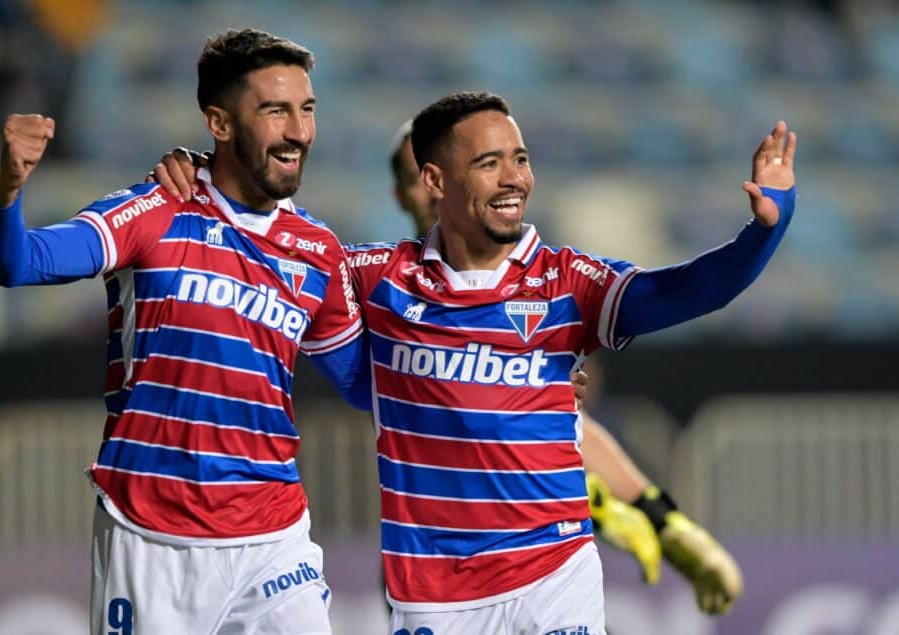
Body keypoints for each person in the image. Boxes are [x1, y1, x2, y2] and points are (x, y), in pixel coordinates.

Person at [153, 91, 795, 633]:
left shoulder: (568, 282)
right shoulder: (375, 278)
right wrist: (202, 181)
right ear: (435, 182)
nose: (514, 178)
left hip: (555, 577)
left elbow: (688, 290)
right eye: (490, 163)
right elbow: (262, 255)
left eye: (520, 158)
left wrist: (766, 228)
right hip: (434, 597)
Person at [0, 29, 371, 634]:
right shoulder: (155, 210)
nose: (299, 131)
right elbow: (15, 263)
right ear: (219, 122)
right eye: (275, 111)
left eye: (307, 109)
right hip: (152, 536)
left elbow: (366, 384)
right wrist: (8, 189)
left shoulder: (317, 250)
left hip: (273, 537)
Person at [387, 119, 743, 615]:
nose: (437, 187)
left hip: (532, 572)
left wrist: (660, 517)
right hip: (434, 569)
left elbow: (570, 422)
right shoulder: (383, 299)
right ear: (407, 192)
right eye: (421, 176)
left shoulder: (531, 287)